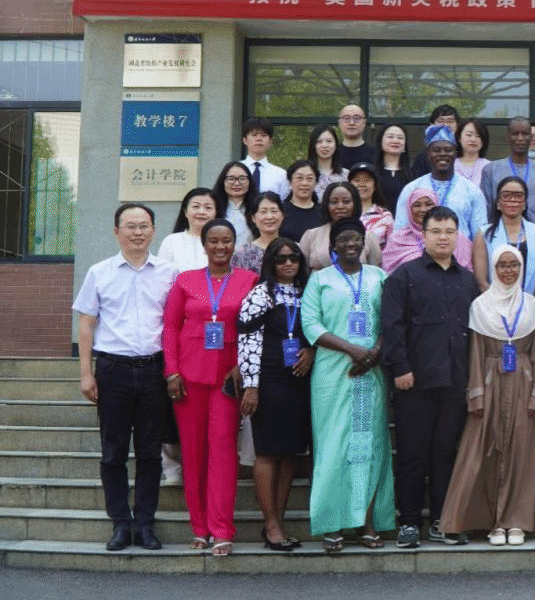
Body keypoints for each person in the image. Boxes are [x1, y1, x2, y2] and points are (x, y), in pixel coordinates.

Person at [74, 203, 178, 551]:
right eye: (130, 226)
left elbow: (175, 324)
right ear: (116, 231)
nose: (137, 232)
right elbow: (86, 324)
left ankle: (145, 524)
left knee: (150, 453)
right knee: (113, 452)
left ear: (153, 230)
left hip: (154, 371)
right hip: (112, 371)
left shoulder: (169, 273)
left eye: (143, 226)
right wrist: (86, 374)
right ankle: (120, 523)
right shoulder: (99, 272)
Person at [381, 206, 481, 547]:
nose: (443, 237)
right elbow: (392, 326)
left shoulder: (467, 280)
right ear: (423, 235)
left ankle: (442, 520)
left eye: (449, 231)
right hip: (415, 382)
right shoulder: (403, 276)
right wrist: (400, 368)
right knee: (412, 454)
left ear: (457, 236)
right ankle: (409, 522)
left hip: (455, 381)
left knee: (446, 452)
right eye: (436, 231)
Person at [440, 244, 535, 547]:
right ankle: (491, 522)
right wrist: (476, 394)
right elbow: (475, 354)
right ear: (492, 268)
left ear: (522, 268)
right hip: (489, 384)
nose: (508, 271)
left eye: (514, 265)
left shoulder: (533, 307)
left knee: (522, 455)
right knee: (483, 451)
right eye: (502, 265)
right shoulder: (481, 306)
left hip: (524, 385)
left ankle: (516, 521)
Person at [300, 217, 395, 552]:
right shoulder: (319, 279)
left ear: (365, 243)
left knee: (368, 446)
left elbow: (391, 320)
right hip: (333, 373)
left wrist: (375, 353)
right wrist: (353, 350)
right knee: (333, 446)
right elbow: (311, 324)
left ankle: (367, 523)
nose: (351, 244)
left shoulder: (379, 277)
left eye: (357, 238)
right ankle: (333, 524)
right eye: (344, 239)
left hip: (372, 373)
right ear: (333, 246)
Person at [162, 218, 255, 557]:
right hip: (189, 376)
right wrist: (171, 372)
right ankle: (199, 527)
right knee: (193, 452)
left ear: (234, 245)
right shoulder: (185, 280)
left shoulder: (248, 280)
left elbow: (254, 329)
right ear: (204, 244)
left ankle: (221, 529)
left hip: (229, 378)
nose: (220, 246)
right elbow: (170, 327)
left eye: (226, 240)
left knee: (223, 451)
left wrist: (244, 365)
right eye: (213, 240)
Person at [236, 237, 314, 551]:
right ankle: (270, 525)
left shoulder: (307, 292)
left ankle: (277, 522)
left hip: (299, 382)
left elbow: (316, 330)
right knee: (267, 452)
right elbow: (247, 343)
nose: (288, 264)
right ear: (271, 263)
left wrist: (312, 350)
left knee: (289, 454)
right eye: (281, 259)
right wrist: (251, 386)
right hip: (268, 381)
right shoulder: (260, 294)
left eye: (294, 258)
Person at [394, 125, 489, 242]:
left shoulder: (472, 190)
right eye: (436, 150)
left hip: (461, 252)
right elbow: (400, 231)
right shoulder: (412, 189)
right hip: (418, 251)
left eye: (448, 150)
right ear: (428, 154)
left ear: (455, 153)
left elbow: (480, 235)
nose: (442, 154)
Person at [476, 176, 535, 293]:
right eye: (506, 196)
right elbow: (481, 282)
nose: (512, 200)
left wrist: (533, 302)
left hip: (533, 301)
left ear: (525, 203)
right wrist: (498, 301)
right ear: (498, 203)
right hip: (495, 301)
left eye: (518, 196)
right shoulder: (484, 234)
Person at [381, 185, 480, 274]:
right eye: (417, 205)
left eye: (428, 204)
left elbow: (467, 272)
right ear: (409, 209)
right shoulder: (398, 240)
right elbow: (389, 273)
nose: (423, 209)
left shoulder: (456, 238)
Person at [481, 117, 535, 227]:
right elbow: (486, 210)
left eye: (525, 134)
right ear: (508, 137)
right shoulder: (491, 170)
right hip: (501, 233)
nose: (520, 138)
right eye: (515, 134)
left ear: (530, 137)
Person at [299, 182, 383, 270]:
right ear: (327, 205)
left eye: (346, 201)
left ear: (355, 204)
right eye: (334, 202)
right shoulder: (311, 236)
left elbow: (375, 273)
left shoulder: (369, 237)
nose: (340, 206)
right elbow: (302, 272)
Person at [158, 187, 216, 271]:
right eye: (196, 206)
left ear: (216, 213)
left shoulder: (222, 243)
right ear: (185, 212)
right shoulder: (171, 241)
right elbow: (162, 274)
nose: (201, 212)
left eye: (208, 208)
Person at [231, 191, 284, 273]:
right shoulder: (243, 253)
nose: (269, 216)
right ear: (253, 218)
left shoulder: (293, 248)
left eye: (274, 211)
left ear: (282, 215)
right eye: (263, 212)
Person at [211, 160, 257, 248]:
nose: (237, 183)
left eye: (242, 178)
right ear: (223, 181)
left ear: (249, 181)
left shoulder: (257, 208)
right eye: (231, 179)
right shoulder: (213, 207)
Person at [348, 163, 395, 247]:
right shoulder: (342, 212)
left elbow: (392, 247)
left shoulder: (385, 216)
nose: (361, 184)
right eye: (357, 180)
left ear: (375, 186)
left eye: (367, 180)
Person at [240, 117, 288, 197]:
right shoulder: (235, 171)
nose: (259, 139)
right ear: (245, 140)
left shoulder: (281, 175)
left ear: (270, 141)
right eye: (254, 135)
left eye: (263, 135)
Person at [409, 105, 463, 176]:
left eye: (450, 121)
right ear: (432, 125)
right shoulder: (422, 158)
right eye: (441, 121)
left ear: (457, 125)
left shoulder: (464, 153)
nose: (446, 125)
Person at [373, 123, 412, 213]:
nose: (395, 140)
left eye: (400, 138)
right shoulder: (372, 172)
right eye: (390, 137)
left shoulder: (413, 174)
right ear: (380, 141)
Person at [280, 160, 323, 242]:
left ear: (316, 182)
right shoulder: (280, 211)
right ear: (290, 181)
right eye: (299, 178)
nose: (304, 183)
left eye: (309, 178)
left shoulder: (323, 213)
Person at [308, 125, 349, 200]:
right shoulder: (306, 174)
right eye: (319, 142)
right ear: (313, 145)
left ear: (336, 145)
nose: (324, 145)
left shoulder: (346, 175)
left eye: (329, 141)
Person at [455, 117, 491, 186]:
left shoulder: (489, 167)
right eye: (469, 135)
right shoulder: (450, 166)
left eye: (478, 136)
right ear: (459, 138)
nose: (473, 139)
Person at [335, 104, 371, 170]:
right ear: (339, 123)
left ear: (364, 123)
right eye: (347, 118)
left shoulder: (375, 154)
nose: (351, 123)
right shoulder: (332, 154)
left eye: (357, 118)